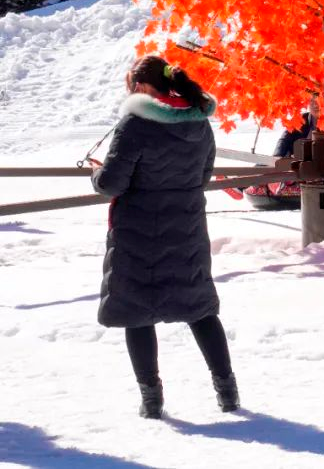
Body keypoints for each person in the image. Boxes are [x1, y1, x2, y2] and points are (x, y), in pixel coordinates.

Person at [90, 55, 238, 419]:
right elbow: (202, 176)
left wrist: (95, 175)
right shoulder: (199, 124)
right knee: (200, 309)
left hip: (138, 233)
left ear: (140, 87)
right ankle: (227, 392)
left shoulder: (134, 126)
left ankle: (152, 400)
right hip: (187, 229)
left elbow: (112, 183)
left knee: (136, 312)